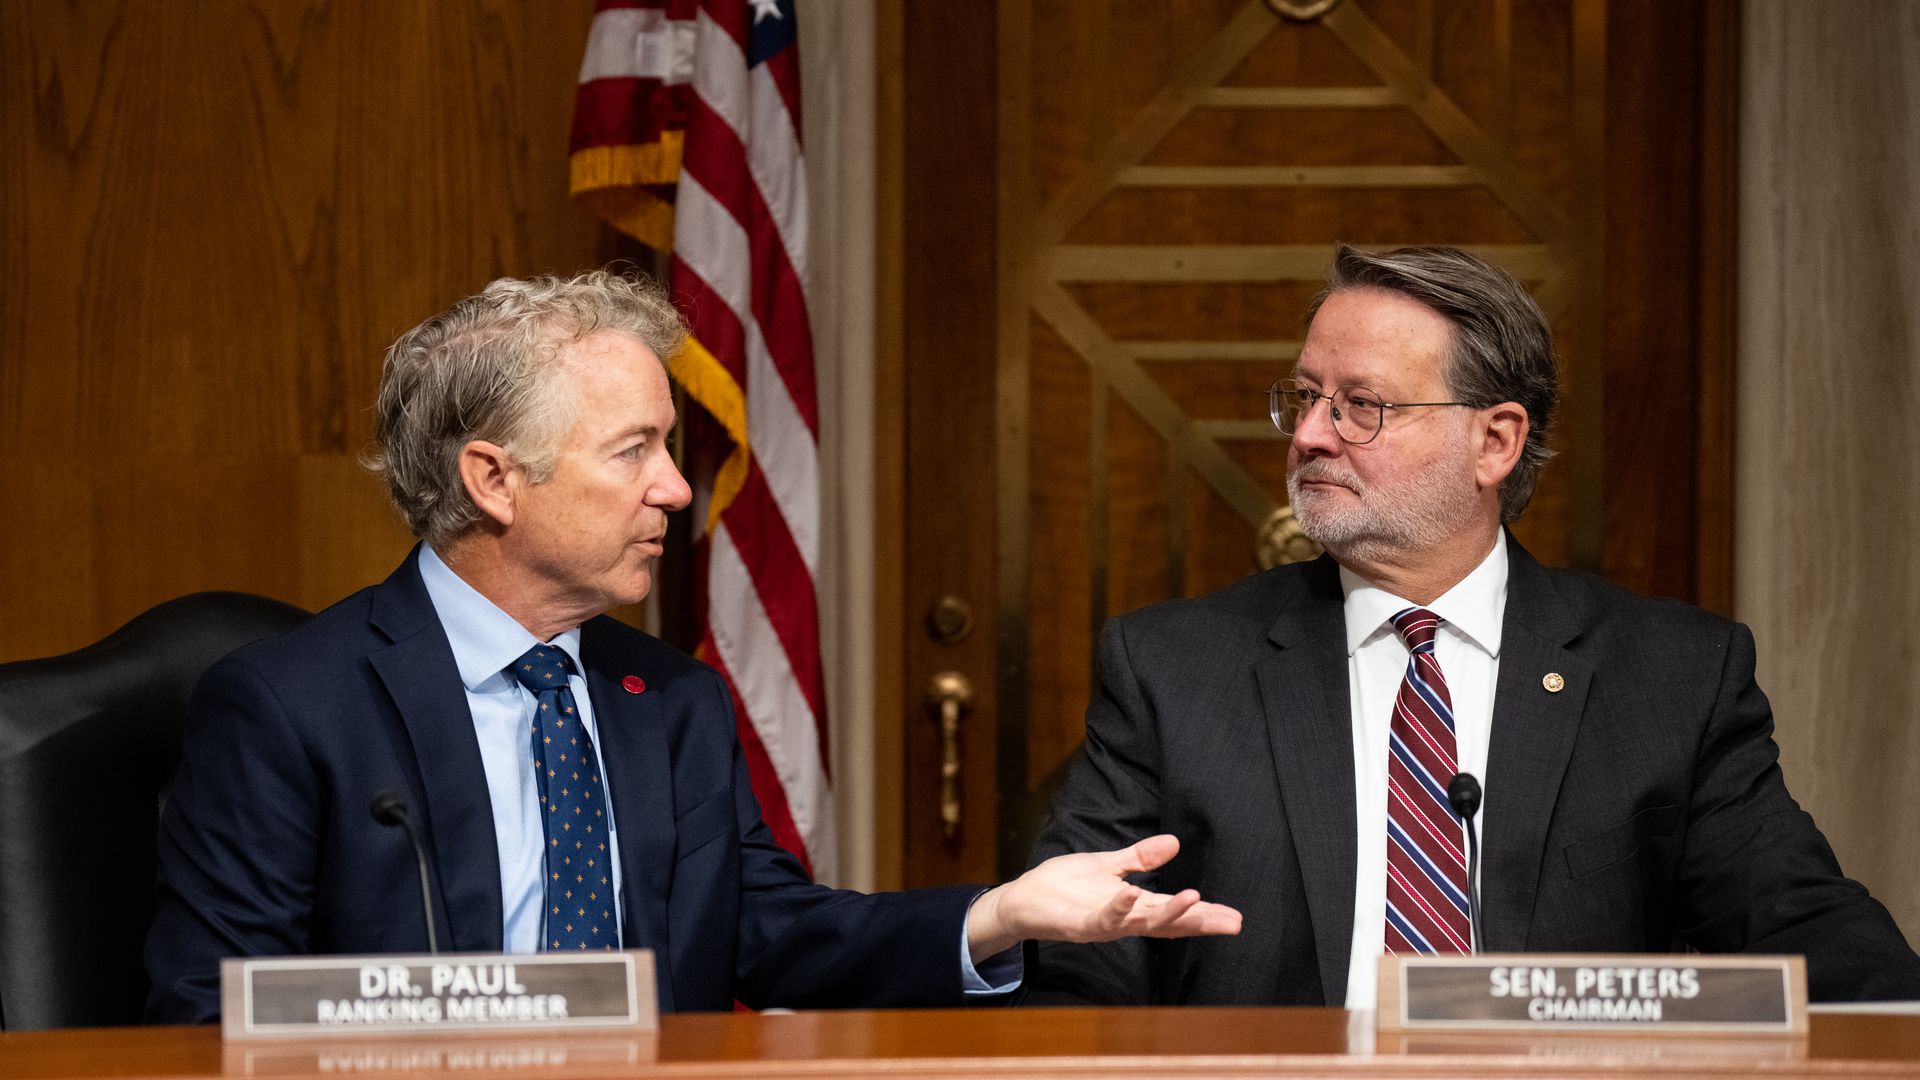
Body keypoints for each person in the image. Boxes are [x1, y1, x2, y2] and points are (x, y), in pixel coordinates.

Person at [145, 272, 1240, 1023]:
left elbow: (770, 934)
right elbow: (210, 1015)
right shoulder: (292, 705)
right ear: (493, 480)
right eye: (635, 450)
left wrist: (1000, 914)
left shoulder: (667, 699)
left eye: (668, 447)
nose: (675, 487)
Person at [1025, 244, 1920, 1008]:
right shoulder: (1171, 670)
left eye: (1362, 405)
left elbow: (1802, 927)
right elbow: (1075, 956)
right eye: (1305, 397)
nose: (1311, 436)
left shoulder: (1669, 676)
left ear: (1495, 441)